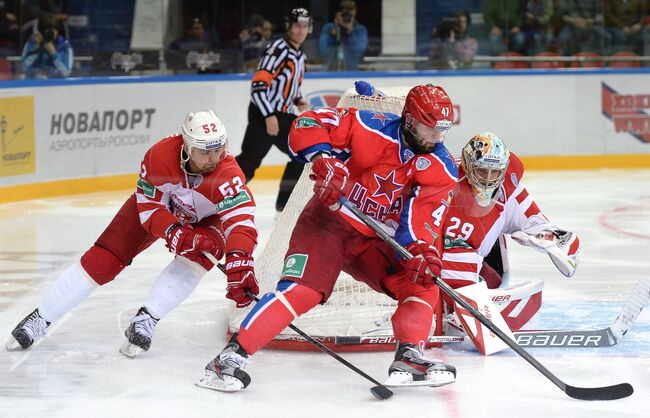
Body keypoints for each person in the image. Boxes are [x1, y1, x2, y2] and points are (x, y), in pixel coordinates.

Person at [197, 84, 460, 392]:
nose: (435, 138)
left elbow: (421, 220)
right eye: (429, 128)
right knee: (303, 291)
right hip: (328, 222)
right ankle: (229, 359)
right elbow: (307, 123)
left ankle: (410, 355)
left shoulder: (441, 167)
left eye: (440, 130)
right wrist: (322, 158)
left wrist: (420, 251)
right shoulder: (367, 126)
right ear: (410, 120)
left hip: (374, 241)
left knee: (423, 283)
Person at [6, 110, 259, 358]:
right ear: (188, 147)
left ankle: (146, 319)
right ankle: (41, 317)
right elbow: (150, 209)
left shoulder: (227, 174)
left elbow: (241, 221)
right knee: (104, 258)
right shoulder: (160, 157)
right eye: (205, 151)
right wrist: (175, 233)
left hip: (207, 218)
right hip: (162, 209)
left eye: (219, 149)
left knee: (206, 252)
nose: (214, 158)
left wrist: (240, 259)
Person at [439, 132, 580, 335]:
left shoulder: (508, 183)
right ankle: (445, 305)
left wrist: (553, 240)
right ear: (469, 166)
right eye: (481, 171)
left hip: (478, 255)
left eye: (494, 172)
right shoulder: (446, 178)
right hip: (438, 255)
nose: (488, 180)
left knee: (494, 281)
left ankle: (458, 302)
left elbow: (535, 220)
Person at [235, 7, 311, 213]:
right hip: (264, 114)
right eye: (297, 25)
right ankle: (215, 202)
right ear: (288, 26)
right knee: (248, 163)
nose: (301, 30)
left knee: (303, 154)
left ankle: (283, 206)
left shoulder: (300, 56)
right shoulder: (278, 49)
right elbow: (258, 87)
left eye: (305, 26)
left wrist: (298, 100)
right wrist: (269, 115)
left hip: (284, 116)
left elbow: (289, 87)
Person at [318, 0, 368, 71]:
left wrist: (350, 32)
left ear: (355, 12)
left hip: (352, 71)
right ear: (339, 14)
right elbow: (322, 51)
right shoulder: (329, 28)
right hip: (330, 71)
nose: (347, 15)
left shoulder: (360, 30)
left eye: (351, 10)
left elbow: (359, 52)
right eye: (345, 11)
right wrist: (333, 35)